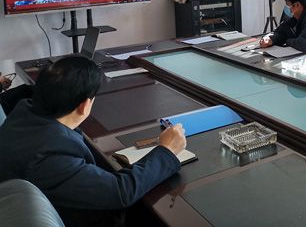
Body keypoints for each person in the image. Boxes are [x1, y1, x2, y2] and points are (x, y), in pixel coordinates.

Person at [0, 56, 186, 226]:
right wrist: (167, 150)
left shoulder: (22, 113)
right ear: (85, 105)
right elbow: (120, 192)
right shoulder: (50, 153)